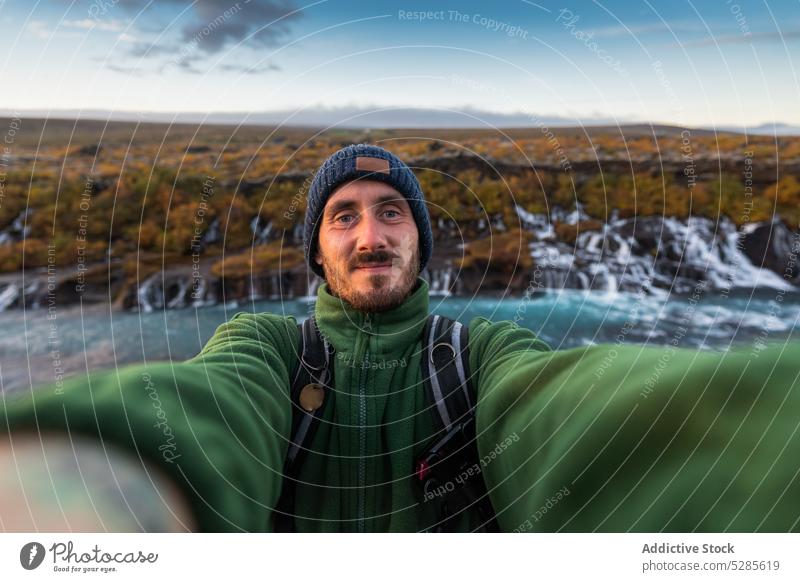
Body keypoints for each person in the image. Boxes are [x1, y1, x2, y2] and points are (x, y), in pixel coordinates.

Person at [1, 144, 798, 532]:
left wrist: (755, 449)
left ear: (419, 240)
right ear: (317, 248)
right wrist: (86, 474)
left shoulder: (479, 357)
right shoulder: (268, 349)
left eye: (392, 212)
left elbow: (577, 412)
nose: (370, 235)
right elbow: (205, 409)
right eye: (343, 216)